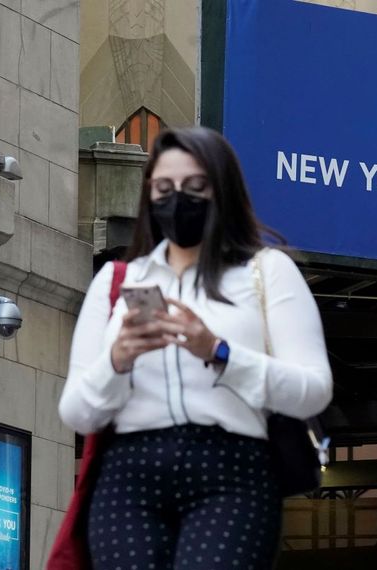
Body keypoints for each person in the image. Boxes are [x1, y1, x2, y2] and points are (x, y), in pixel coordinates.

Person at [58, 127, 333, 569]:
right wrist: (118, 360)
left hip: (231, 469)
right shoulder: (117, 281)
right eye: (163, 189)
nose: (177, 200)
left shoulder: (267, 272)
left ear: (220, 191)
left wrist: (219, 352)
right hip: (130, 475)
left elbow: (314, 389)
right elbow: (76, 412)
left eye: (195, 188)